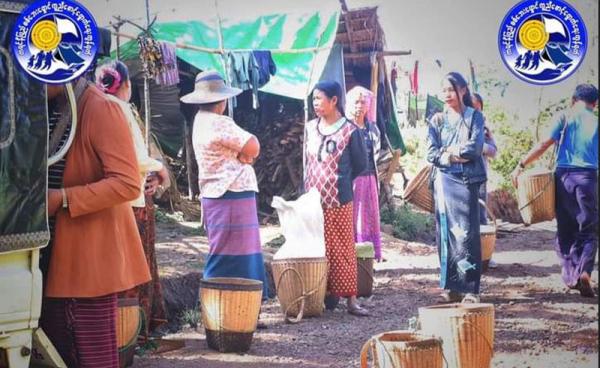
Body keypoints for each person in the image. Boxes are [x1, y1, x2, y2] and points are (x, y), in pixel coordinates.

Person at [43, 77, 151, 367]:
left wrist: (63, 199)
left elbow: (127, 184)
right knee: (58, 354)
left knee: (91, 355)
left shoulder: (100, 108)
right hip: (52, 253)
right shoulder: (49, 106)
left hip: (89, 261)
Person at [95, 60, 171, 333]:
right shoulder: (119, 109)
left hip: (108, 200)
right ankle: (132, 332)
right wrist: (160, 168)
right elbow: (135, 158)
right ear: (126, 85)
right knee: (133, 267)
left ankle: (120, 332)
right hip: (131, 200)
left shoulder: (92, 108)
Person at [181, 70, 267, 299]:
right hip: (231, 194)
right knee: (236, 256)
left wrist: (243, 155)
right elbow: (253, 146)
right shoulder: (219, 123)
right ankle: (233, 308)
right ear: (222, 100)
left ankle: (232, 310)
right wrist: (244, 157)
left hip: (217, 195)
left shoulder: (199, 120)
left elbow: (245, 151)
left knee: (225, 252)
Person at [512, 84, 598, 298]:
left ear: (573, 99)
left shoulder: (564, 116)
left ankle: (571, 276)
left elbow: (544, 144)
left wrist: (521, 164)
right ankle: (585, 271)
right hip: (588, 179)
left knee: (565, 229)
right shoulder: (597, 121)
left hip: (564, 178)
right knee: (589, 230)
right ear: (595, 104)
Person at [304, 80, 369, 316]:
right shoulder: (311, 127)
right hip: (313, 198)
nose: (316, 104)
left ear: (334, 100)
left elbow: (361, 164)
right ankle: (322, 294)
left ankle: (351, 300)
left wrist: (340, 179)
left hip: (339, 197)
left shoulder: (350, 130)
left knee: (343, 246)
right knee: (318, 246)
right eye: (314, 99)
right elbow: (308, 162)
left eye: (319, 99)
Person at [427, 72, 486, 304]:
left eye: (451, 89)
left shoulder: (475, 117)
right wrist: (452, 157)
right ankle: (450, 287)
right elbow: (431, 153)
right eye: (444, 90)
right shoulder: (437, 120)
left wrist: (449, 152)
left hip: (467, 182)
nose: (447, 94)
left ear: (463, 90)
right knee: (445, 234)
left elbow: (475, 149)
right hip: (443, 182)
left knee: (468, 233)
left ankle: (471, 289)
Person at [345, 86, 383, 261]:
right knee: (352, 217)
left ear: (368, 106)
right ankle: (350, 254)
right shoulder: (344, 128)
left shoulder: (372, 129)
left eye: (363, 102)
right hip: (350, 180)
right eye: (356, 102)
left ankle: (368, 255)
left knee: (368, 217)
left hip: (369, 179)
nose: (359, 106)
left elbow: (374, 154)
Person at [472, 93, 498, 269]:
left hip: (480, 177)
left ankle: (485, 256)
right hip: (460, 177)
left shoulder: (485, 129)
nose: (475, 109)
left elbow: (494, 151)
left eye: (477, 106)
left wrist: (478, 147)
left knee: (481, 216)